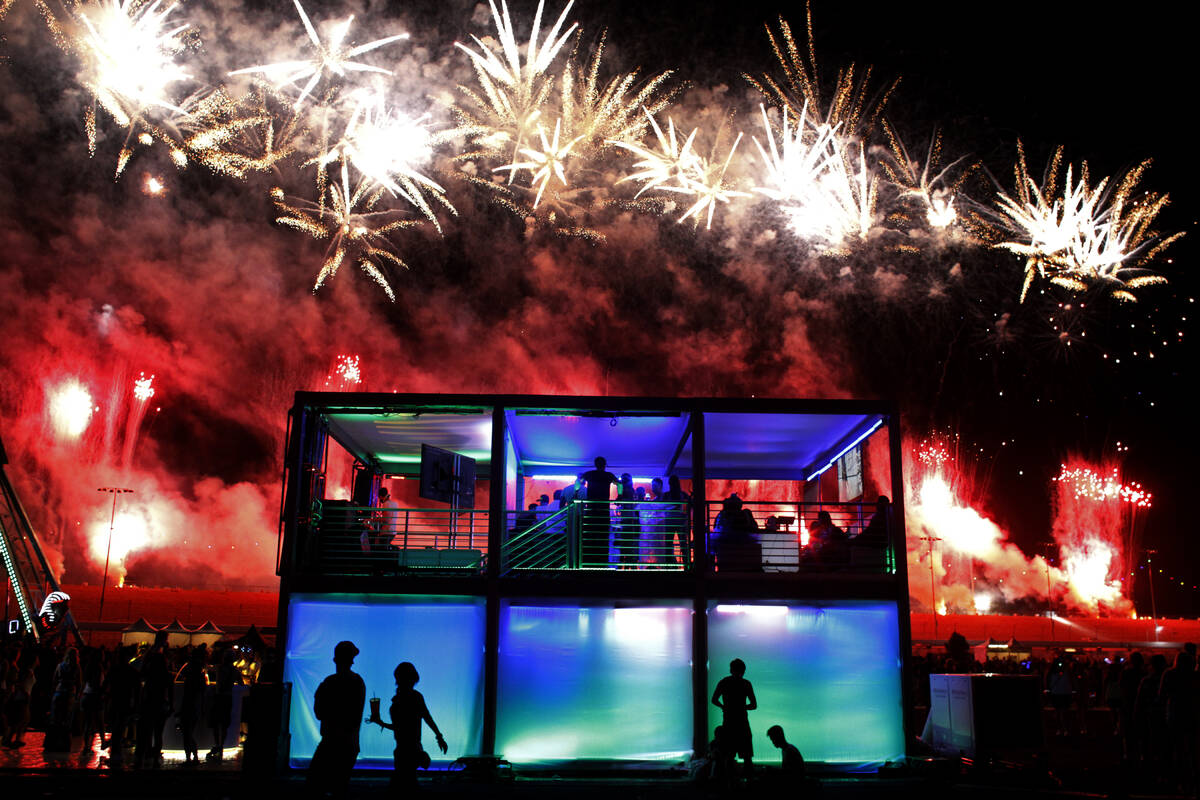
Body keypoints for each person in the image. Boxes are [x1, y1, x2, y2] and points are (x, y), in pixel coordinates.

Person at [368, 661, 448, 790]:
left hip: (403, 750)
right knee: (408, 784)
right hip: (413, 747)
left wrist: (380, 723)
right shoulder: (416, 697)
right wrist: (439, 737)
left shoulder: (400, 700)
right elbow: (427, 718)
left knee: (402, 786)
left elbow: (399, 727)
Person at [308, 641, 366, 798]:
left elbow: (319, 713)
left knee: (315, 784)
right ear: (352, 660)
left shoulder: (328, 683)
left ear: (335, 659)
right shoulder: (357, 682)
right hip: (349, 743)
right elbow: (355, 717)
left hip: (330, 742)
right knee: (340, 787)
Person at [712, 658, 757, 776]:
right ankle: (748, 784)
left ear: (731, 670)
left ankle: (730, 784)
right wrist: (742, 707)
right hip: (742, 723)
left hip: (728, 723)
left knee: (729, 755)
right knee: (747, 757)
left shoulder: (724, 682)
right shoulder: (746, 684)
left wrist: (723, 707)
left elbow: (714, 700)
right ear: (743, 670)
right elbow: (753, 705)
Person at [207, 647, 243, 762]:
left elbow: (208, 669)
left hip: (218, 697)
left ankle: (217, 744)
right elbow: (241, 684)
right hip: (228, 698)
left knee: (216, 723)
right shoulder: (235, 671)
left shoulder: (219, 668)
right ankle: (221, 746)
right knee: (224, 724)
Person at [581, 457, 618, 566]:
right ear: (605, 464)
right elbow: (619, 484)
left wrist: (576, 492)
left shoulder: (589, 474)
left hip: (591, 509)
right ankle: (602, 561)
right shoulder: (608, 475)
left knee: (590, 535)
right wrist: (619, 495)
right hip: (603, 509)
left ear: (595, 464)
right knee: (603, 536)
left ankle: (589, 560)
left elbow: (579, 482)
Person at [178, 646, 207, 764]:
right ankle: (193, 756)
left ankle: (190, 757)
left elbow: (180, 677)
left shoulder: (189, 669)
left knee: (186, 732)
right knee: (188, 732)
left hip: (188, 704)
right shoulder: (200, 673)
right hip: (194, 705)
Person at [664, 475, 691, 566]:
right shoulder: (682, 494)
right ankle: (686, 566)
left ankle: (669, 566)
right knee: (683, 545)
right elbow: (691, 503)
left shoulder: (667, 495)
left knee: (668, 545)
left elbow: (661, 506)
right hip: (680, 521)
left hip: (669, 522)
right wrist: (686, 515)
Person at [616, 473, 640, 567]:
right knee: (629, 543)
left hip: (627, 519)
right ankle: (629, 565)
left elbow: (618, 501)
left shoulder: (625, 489)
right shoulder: (631, 490)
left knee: (625, 543)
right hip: (630, 520)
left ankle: (623, 564)